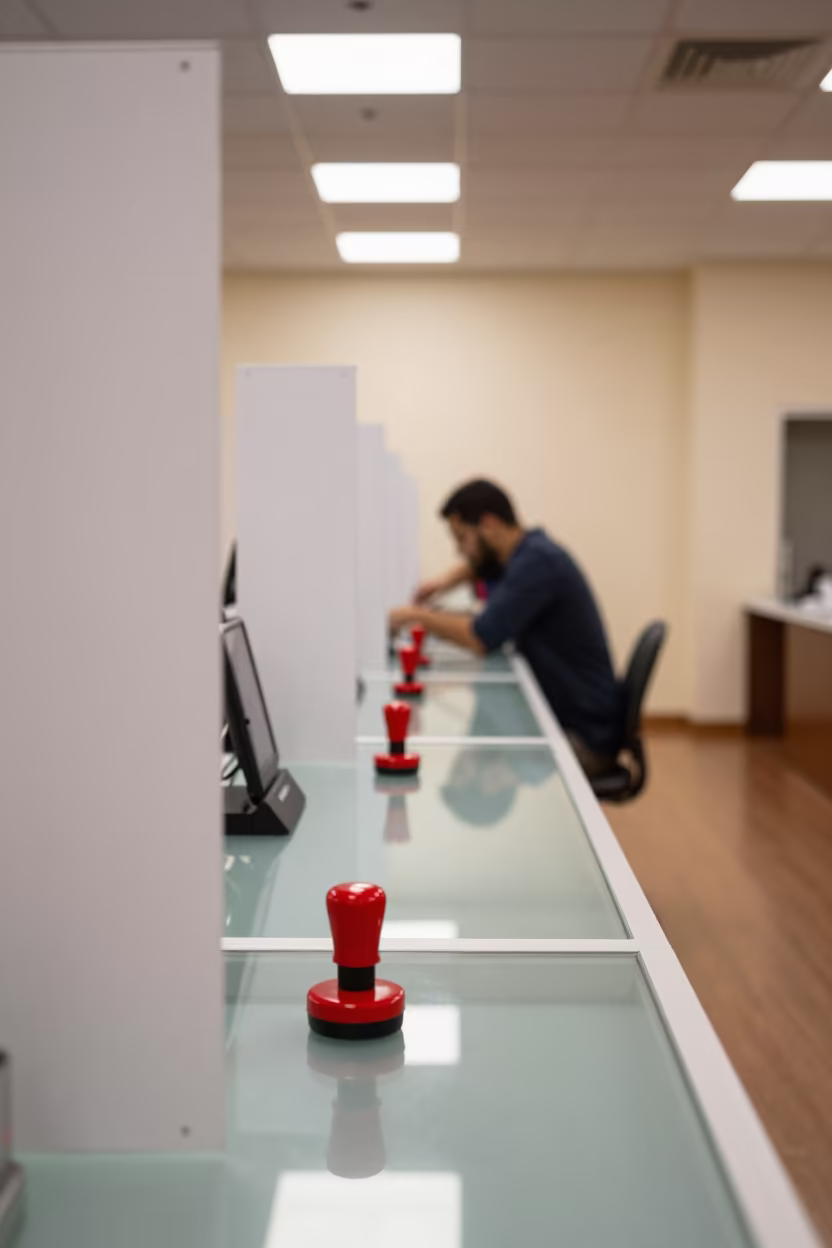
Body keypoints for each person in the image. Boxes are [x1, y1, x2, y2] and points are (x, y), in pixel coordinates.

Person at [389, 479, 624, 778]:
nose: (460, 551)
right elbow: (483, 567)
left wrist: (414, 616)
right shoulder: (529, 552)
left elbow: (479, 637)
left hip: (585, 739)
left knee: (483, 754)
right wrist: (444, 582)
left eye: (462, 539)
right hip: (575, 719)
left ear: (489, 524)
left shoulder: (538, 563)